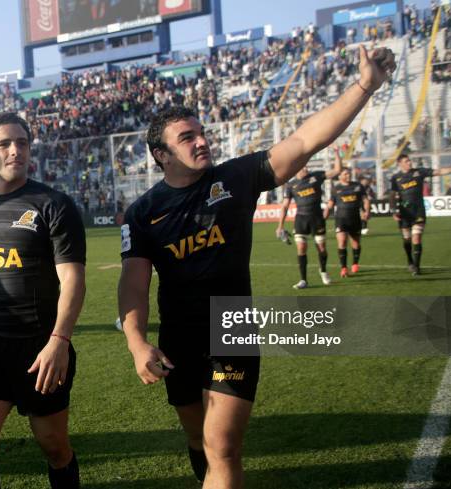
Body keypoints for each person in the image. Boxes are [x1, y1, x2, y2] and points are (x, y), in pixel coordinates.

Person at [118, 45, 395, 489]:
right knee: (199, 441)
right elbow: (133, 285)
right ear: (161, 156)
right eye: (187, 138)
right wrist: (136, 343)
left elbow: (307, 140)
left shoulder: (236, 178)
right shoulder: (143, 212)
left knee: (221, 445)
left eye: (201, 132)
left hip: (232, 328)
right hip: (178, 338)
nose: (202, 140)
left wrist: (365, 85)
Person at [0, 112, 86, 489]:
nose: (15, 151)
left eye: (22, 143)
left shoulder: (54, 204)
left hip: (40, 348)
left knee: (55, 447)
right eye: (5, 144)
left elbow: (72, 280)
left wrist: (59, 342)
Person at [276, 146, 342, 289]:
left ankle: (323, 271)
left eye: (305, 165)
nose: (305, 167)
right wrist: (280, 226)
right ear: (296, 169)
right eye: (302, 166)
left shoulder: (316, 176)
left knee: (322, 248)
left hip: (317, 218)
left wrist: (337, 154)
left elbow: (336, 171)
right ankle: (303, 280)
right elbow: (285, 206)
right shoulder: (291, 185)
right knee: (301, 248)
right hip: (301, 219)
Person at [390, 154, 451, 275]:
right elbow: (392, 195)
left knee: (416, 237)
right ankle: (410, 261)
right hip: (404, 213)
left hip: (418, 210)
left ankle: (416, 267)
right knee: (406, 239)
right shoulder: (395, 178)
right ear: (399, 163)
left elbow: (439, 171)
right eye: (406, 161)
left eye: (409, 161)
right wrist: (393, 210)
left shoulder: (419, 172)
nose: (409, 163)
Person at [324, 167, 370, 277]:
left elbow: (365, 200)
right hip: (341, 219)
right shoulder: (336, 188)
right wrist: (324, 216)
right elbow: (330, 204)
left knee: (355, 243)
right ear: (339, 176)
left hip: (355, 218)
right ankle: (343, 268)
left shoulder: (358, 186)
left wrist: (367, 211)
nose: (348, 176)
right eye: (345, 174)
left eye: (348, 174)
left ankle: (355, 263)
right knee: (342, 242)